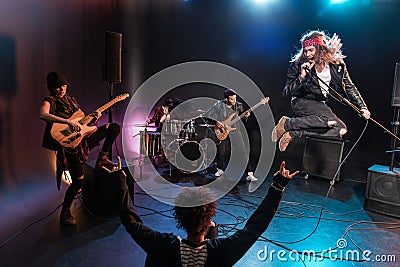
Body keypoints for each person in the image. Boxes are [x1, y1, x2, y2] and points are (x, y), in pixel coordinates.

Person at [119, 160, 298, 266]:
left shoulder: (163, 246)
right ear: (210, 217)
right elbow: (255, 227)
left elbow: (131, 223)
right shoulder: (222, 251)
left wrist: (121, 184)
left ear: (179, 217)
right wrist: (277, 187)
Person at [40, 71, 121, 226]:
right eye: (57, 87)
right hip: (69, 144)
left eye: (63, 86)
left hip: (82, 138)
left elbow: (82, 123)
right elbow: (43, 115)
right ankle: (65, 212)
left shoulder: (72, 100)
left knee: (114, 127)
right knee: (78, 181)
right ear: (50, 88)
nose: (61, 89)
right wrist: (67, 122)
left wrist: (95, 117)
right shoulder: (49, 101)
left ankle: (102, 158)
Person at [272, 30, 371, 152]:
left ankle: (295, 133)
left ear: (320, 48)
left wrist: (363, 107)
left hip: (319, 104)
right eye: (305, 51)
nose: (308, 54)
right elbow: (286, 92)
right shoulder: (298, 65)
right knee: (328, 121)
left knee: (340, 129)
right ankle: (287, 124)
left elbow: (349, 86)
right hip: (301, 100)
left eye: (311, 50)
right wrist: (302, 77)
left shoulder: (336, 64)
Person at [205, 89, 257, 181]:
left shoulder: (239, 105)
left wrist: (246, 116)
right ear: (226, 99)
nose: (234, 101)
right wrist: (215, 122)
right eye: (232, 99)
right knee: (221, 151)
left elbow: (242, 116)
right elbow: (207, 115)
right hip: (223, 130)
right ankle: (220, 169)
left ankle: (250, 173)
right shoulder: (219, 105)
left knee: (243, 152)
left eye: (235, 99)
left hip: (235, 130)